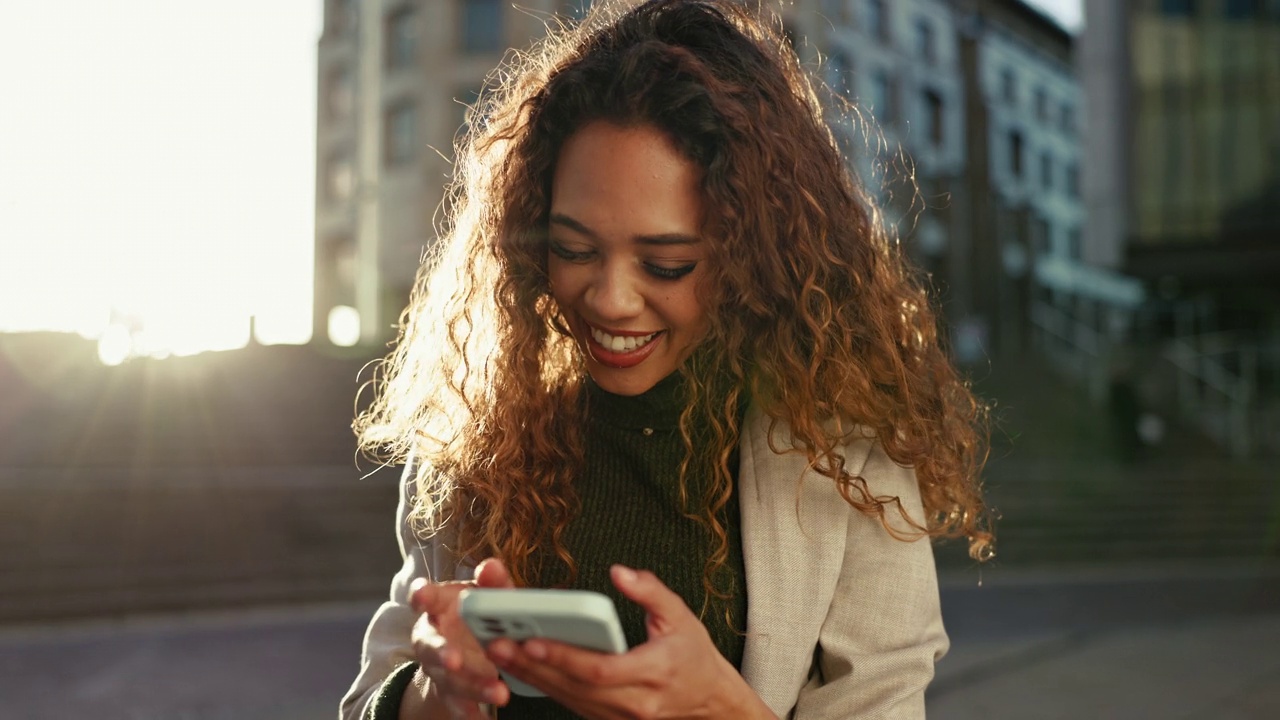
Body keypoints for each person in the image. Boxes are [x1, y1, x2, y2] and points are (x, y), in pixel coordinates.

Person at [340, 1, 993, 718]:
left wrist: (720, 708)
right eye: (574, 249)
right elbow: (373, 693)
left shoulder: (850, 460)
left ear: (752, 258)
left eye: (667, 263)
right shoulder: (477, 434)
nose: (612, 300)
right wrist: (435, 689)